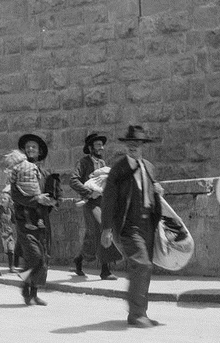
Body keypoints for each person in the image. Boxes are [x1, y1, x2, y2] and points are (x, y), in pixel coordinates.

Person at [100, 125, 163, 328]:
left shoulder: (149, 167)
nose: (133, 147)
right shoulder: (118, 169)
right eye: (130, 144)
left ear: (143, 145)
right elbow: (108, 199)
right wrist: (107, 229)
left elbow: (151, 193)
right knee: (142, 265)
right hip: (128, 225)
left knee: (146, 267)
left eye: (137, 143)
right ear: (125, 146)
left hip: (148, 224)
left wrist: (157, 190)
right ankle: (136, 314)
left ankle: (140, 312)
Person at [10, 134, 56, 305]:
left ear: (39, 151)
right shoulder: (19, 171)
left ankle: (33, 293)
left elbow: (52, 195)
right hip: (25, 219)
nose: (30, 149)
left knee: (43, 258)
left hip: (42, 219)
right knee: (34, 255)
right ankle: (25, 283)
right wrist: (36, 199)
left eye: (34, 147)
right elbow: (16, 195)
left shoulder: (45, 174)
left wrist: (52, 201)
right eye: (28, 147)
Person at [69, 132, 122, 279]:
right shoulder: (83, 162)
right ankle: (105, 270)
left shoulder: (103, 164)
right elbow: (73, 180)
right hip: (90, 203)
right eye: (98, 145)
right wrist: (88, 192)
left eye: (102, 145)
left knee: (92, 236)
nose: (101, 148)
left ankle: (78, 259)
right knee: (102, 227)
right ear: (90, 147)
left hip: (103, 203)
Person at [4, 149, 52, 230]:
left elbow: (16, 196)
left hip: (32, 221)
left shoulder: (17, 173)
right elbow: (16, 197)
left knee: (28, 210)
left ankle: (34, 222)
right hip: (28, 223)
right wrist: (37, 198)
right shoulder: (34, 170)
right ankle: (39, 221)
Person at [0, 192, 17, 276]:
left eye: (5, 198)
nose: (2, 200)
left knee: (11, 250)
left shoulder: (10, 210)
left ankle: (11, 267)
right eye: (1, 198)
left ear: (9, 201)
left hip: (8, 233)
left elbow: (14, 221)